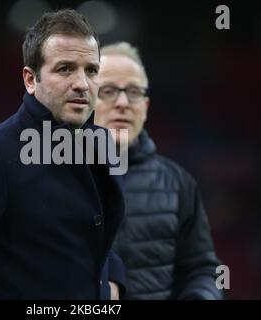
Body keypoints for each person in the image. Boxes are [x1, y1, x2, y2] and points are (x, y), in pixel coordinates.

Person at [0, 9, 126, 299]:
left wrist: (112, 282)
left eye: (91, 70)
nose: (82, 83)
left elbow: (100, 235)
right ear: (30, 79)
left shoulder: (101, 144)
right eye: (65, 68)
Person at [95, 42, 223, 299]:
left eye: (133, 92)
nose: (122, 102)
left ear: (146, 105)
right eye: (108, 91)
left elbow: (204, 270)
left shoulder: (178, 183)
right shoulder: (49, 178)